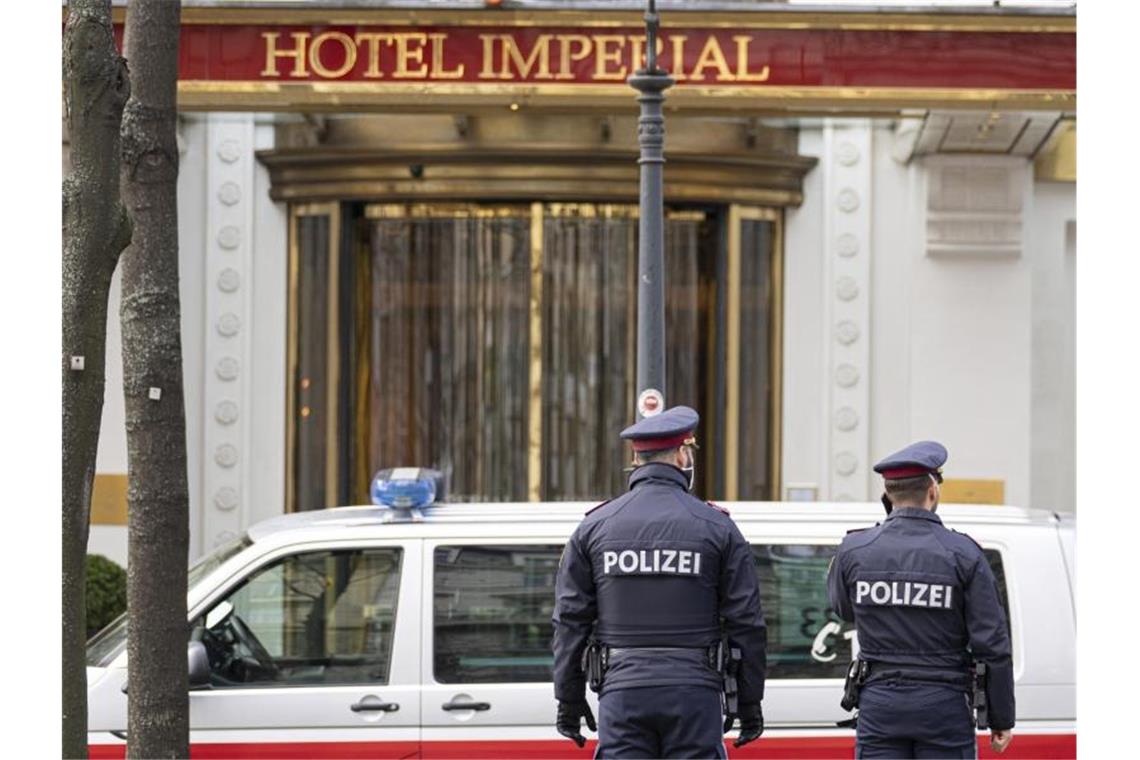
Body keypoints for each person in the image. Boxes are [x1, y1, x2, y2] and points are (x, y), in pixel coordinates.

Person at [551, 405, 767, 758]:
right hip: (695, 694)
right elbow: (747, 622)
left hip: (622, 693)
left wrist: (568, 699)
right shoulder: (717, 527)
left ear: (637, 460)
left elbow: (570, 621)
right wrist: (749, 701)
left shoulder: (594, 526)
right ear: (682, 454)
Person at [826, 441, 1015, 759]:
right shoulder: (964, 553)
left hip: (879, 702)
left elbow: (844, 610)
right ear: (933, 492)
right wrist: (1000, 717)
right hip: (944, 704)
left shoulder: (853, 550)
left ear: (887, 495)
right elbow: (992, 644)